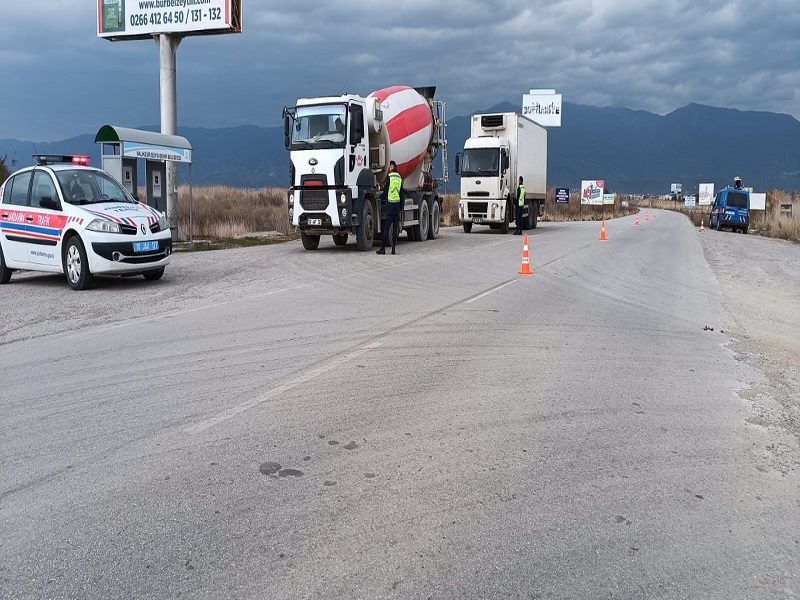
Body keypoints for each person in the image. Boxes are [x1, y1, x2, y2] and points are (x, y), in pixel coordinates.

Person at [377, 161, 403, 254]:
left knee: (387, 228)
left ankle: (383, 248)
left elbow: (386, 191)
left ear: (391, 167)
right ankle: (393, 249)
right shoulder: (399, 178)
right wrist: (401, 208)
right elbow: (401, 193)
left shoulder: (390, 177)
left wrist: (380, 198)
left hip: (390, 205)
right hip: (397, 206)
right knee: (395, 228)